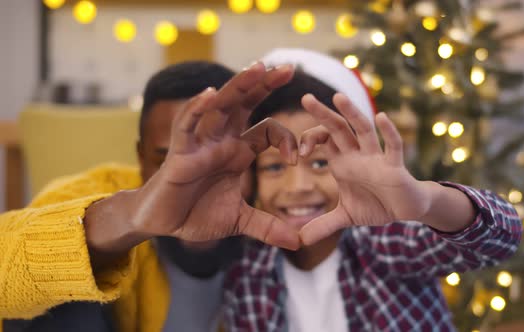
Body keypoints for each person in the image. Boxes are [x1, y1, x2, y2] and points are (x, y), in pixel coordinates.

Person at [222, 48, 523, 331]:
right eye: (274, 167)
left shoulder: (388, 242)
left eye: (320, 164)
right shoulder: (245, 270)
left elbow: (502, 239)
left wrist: (427, 202)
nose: (298, 187)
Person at [0, 60, 302, 331]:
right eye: (167, 163)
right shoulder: (99, 192)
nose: (195, 185)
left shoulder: (275, 211)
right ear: (140, 157)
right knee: (61, 294)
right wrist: (130, 219)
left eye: (217, 164)